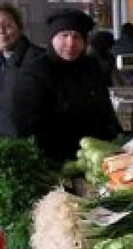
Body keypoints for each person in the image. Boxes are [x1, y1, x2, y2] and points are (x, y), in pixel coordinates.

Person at [11, 8, 121, 162]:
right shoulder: (35, 73)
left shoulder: (91, 66)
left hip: (97, 158)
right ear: (52, 38)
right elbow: (29, 129)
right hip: (55, 162)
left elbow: (105, 107)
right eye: (64, 35)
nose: (71, 43)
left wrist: (116, 139)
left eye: (77, 37)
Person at [0, 3, 44, 138]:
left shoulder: (39, 59)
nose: (1, 31)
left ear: (19, 27)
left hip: (28, 144)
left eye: (7, 26)